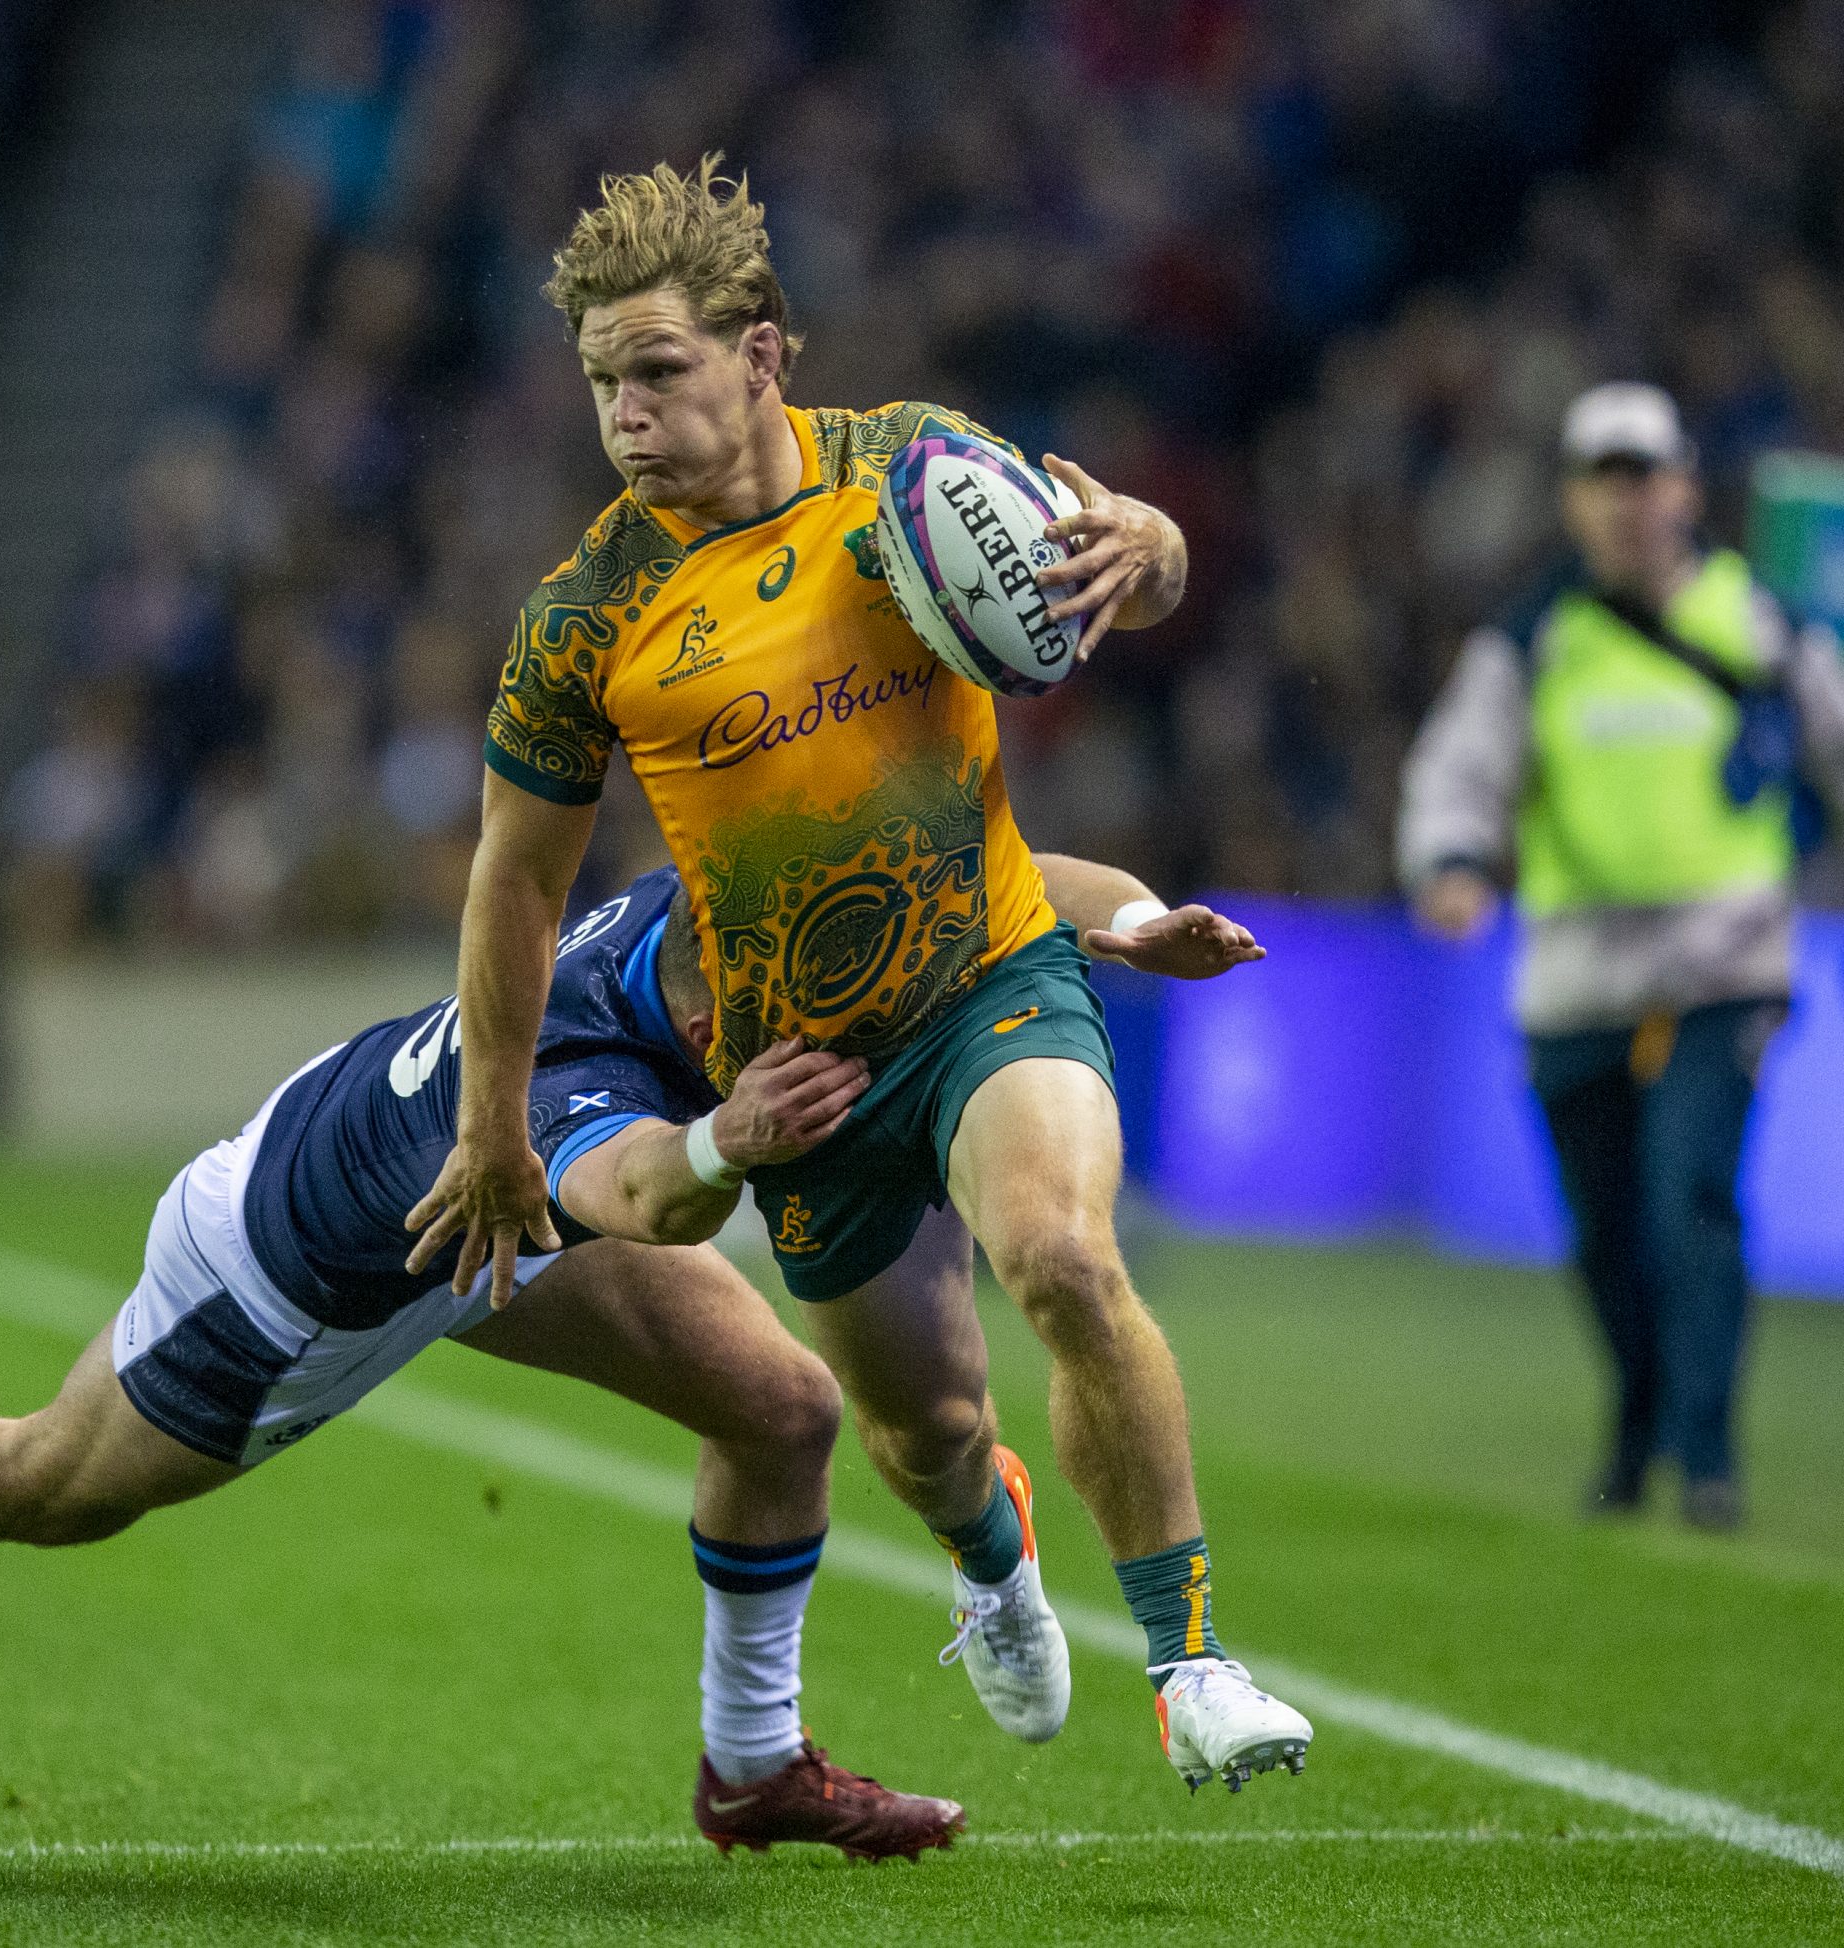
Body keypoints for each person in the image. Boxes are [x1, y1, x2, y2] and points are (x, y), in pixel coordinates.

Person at [0, 846, 1253, 1846]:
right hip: (310, 1262)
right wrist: (733, 1143)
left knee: (780, 1409)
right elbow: (634, 1191)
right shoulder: (593, 1056)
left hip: (490, 1217)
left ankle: (753, 1773)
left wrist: (1130, 924)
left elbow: (1009, 872)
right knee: (50, 1482)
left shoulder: (732, 925)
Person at [406, 157, 1310, 1794]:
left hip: (987, 976)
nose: (626, 413)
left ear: (764, 349)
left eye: (658, 370)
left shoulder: (915, 471)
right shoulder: (584, 616)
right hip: (799, 1081)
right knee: (932, 1431)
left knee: (1064, 1257)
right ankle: (991, 1557)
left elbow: (1139, 576)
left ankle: (1194, 1666)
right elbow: (517, 884)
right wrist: (489, 1126)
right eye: (602, 382)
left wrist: (1152, 540)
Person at [1400, 382, 1844, 1531]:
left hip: (1725, 954)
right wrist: (1449, 856)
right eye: (1602, 479)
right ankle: (1640, 1418)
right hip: (1577, 966)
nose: (1624, 502)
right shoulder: (1537, 632)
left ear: (1686, 487)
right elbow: (1464, 758)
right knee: (1604, 1225)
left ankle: (1705, 1458)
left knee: (1690, 1195)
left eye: (1642, 475)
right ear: (1572, 498)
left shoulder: (1762, 621)